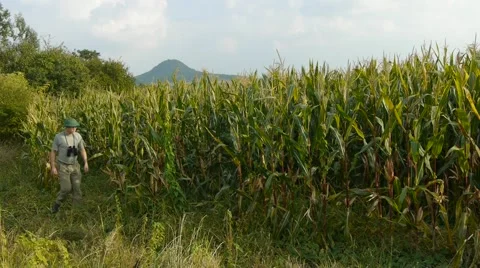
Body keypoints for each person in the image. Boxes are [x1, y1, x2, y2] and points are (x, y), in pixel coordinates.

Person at [50, 118, 89, 213]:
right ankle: (57, 204)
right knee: (66, 188)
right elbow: (53, 152)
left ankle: (76, 210)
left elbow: (82, 150)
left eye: (75, 127)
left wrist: (85, 162)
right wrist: (53, 167)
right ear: (67, 127)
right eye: (72, 127)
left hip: (75, 165)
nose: (74, 129)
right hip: (63, 166)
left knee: (77, 188)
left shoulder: (78, 136)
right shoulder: (59, 137)